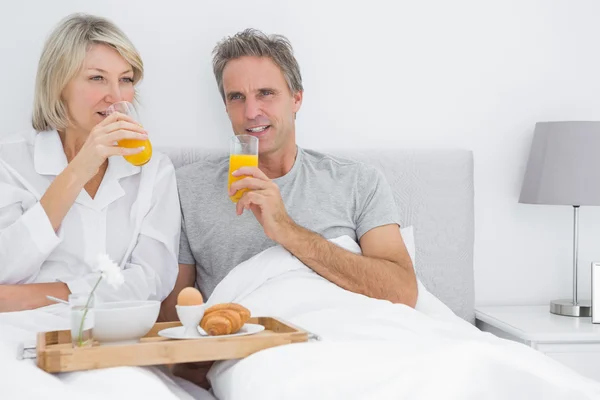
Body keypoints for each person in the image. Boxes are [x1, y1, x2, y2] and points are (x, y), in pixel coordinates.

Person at [163, 27, 416, 322]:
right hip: (256, 350)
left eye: (266, 93)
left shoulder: (358, 182)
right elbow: (171, 322)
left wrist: (287, 230)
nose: (251, 111)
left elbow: (403, 292)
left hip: (356, 335)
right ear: (226, 107)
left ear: (296, 99)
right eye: (237, 97)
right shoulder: (187, 188)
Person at [0, 13, 180, 312]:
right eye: (97, 78)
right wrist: (78, 171)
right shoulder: (9, 161)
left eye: (125, 80)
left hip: (111, 335)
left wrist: (38, 296)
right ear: (59, 84)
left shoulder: (154, 170)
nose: (115, 95)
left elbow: (152, 280)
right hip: (20, 333)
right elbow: (4, 267)